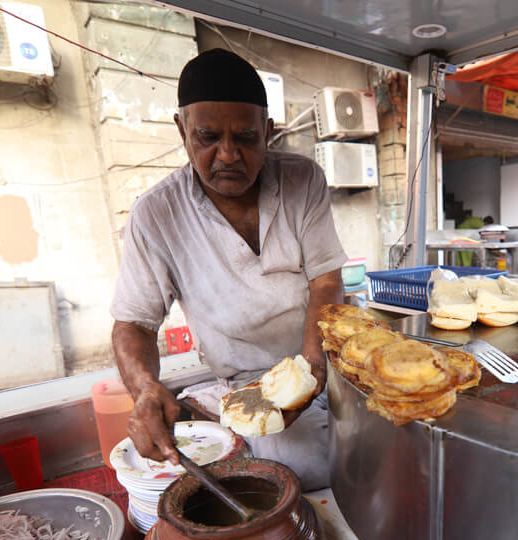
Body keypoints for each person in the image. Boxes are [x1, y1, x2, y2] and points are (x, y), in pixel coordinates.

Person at [110, 49, 346, 491]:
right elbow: (134, 324)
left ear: (269, 133)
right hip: (248, 381)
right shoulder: (155, 215)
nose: (228, 155)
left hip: (326, 356)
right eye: (207, 137)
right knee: (303, 469)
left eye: (245, 137)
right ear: (182, 130)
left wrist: (313, 369)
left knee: (389, 440)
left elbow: (327, 282)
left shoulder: (303, 180)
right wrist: (144, 388)